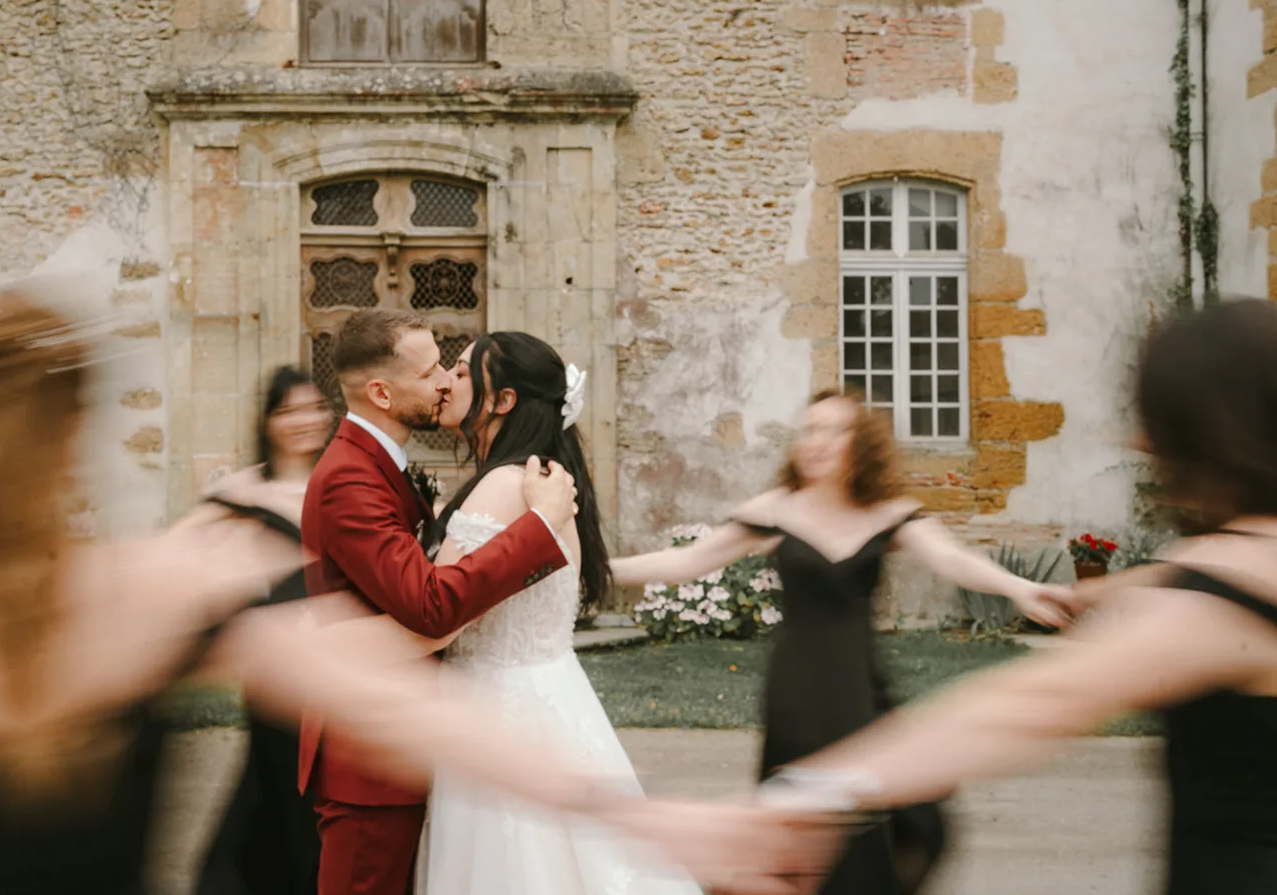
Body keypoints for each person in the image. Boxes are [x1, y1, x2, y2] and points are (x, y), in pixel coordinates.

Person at [0, 288, 790, 895]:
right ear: (80, 439)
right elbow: (372, 655)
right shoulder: (155, 591)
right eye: (431, 368)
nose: (442, 385)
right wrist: (636, 817)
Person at [740, 298, 1277, 895]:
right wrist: (1100, 591)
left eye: (1157, 423)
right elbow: (1187, 573)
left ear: (1208, 434)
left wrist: (796, 800)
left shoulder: (1220, 601)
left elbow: (1025, 706)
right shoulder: (1239, 564)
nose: (1140, 441)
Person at [609, 391, 1077, 895]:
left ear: (862, 444)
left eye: (834, 430)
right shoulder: (776, 509)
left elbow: (953, 560)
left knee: (894, 812)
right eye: (810, 430)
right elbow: (685, 563)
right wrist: (593, 573)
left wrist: (1022, 588)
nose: (818, 442)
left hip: (858, 687)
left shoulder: (890, 512)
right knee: (800, 819)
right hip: (796, 690)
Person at [407, 332, 703, 894]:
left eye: (464, 371)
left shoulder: (504, 484)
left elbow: (442, 612)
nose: (448, 378)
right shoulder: (546, 477)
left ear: (504, 400)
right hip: (553, 701)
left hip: (498, 713)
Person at [299, 309, 578, 895]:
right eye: (431, 373)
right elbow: (429, 606)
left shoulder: (386, 467)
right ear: (381, 392)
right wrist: (539, 531)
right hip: (369, 753)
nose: (447, 382)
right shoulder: (351, 476)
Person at [195, 367, 332, 895]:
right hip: (277, 678)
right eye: (289, 410)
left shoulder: (343, 482)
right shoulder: (243, 491)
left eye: (315, 407)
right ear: (269, 421)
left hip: (338, 671)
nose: (305, 421)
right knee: (275, 800)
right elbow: (180, 555)